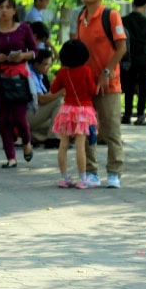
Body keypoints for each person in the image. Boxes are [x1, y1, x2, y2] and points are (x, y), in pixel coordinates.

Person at [75, 0, 127, 189]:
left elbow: (121, 47)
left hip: (108, 84)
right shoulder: (80, 17)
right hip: (86, 85)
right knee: (86, 130)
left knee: (111, 129)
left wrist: (107, 72)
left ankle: (114, 172)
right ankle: (91, 171)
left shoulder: (111, 15)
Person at [0, 0, 38, 169]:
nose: (4, 11)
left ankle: (27, 142)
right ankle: (10, 157)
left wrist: (22, 56)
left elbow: (35, 51)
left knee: (20, 117)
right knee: (2, 119)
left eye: (8, 7)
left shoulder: (24, 29)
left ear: (14, 10)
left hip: (19, 77)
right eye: (1, 7)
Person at [51, 40, 98, 189]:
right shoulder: (86, 70)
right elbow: (92, 90)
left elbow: (53, 89)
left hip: (67, 110)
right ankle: (83, 178)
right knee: (80, 146)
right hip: (83, 111)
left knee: (63, 145)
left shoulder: (63, 72)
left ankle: (64, 178)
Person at [121, 0, 146, 126]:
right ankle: (140, 115)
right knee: (143, 88)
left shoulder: (124, 20)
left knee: (128, 87)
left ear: (133, 4)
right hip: (144, 58)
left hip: (128, 58)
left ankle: (127, 114)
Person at [28, 50, 63, 148]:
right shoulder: (31, 75)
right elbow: (41, 99)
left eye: (50, 64)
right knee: (60, 101)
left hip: (35, 114)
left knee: (65, 127)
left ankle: (34, 136)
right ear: (36, 64)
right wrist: (62, 91)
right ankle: (53, 139)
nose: (48, 68)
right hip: (28, 113)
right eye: (46, 65)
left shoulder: (39, 75)